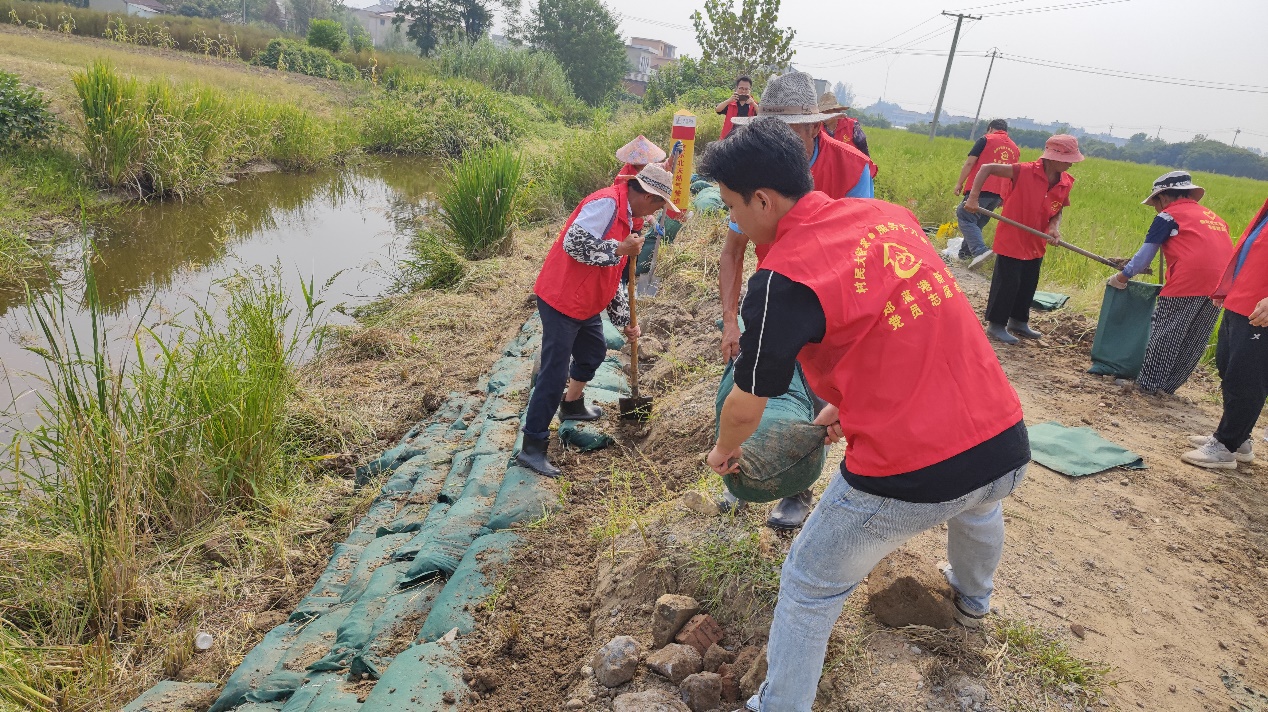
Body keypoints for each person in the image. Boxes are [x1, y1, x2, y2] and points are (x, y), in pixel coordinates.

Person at [698, 118, 1030, 712]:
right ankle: (973, 599)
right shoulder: (890, 219)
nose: (733, 222)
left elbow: (746, 404)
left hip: (912, 470)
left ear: (764, 200)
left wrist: (723, 452)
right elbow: (890, 329)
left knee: (809, 581)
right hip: (1003, 440)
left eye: (731, 207)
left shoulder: (782, 281)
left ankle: (779, 705)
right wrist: (836, 407)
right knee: (981, 506)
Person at [718, 71, 876, 530]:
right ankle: (744, 471)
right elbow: (733, 251)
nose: (775, 143)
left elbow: (857, 248)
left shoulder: (850, 169)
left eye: (786, 132)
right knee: (754, 383)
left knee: (811, 391)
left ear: (813, 127)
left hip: (825, 302)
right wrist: (731, 320)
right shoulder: (755, 168)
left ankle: (795, 487)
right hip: (773, 292)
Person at [515, 165, 678, 477]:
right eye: (659, 203)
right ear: (646, 195)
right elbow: (574, 244)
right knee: (553, 374)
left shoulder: (632, 218)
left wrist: (624, 321)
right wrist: (620, 247)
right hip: (563, 299)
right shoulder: (606, 204)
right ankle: (532, 447)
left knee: (593, 352)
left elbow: (614, 274)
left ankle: (572, 404)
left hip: (586, 301)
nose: (658, 210)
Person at [1109, 172, 1232, 395]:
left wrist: (1122, 277)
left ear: (1163, 197)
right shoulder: (1215, 218)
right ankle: (1168, 388)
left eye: (1155, 202)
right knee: (1195, 337)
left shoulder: (1168, 216)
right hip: (1222, 284)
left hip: (1189, 281)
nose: (1156, 208)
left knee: (1167, 332)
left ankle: (1148, 386)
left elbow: (1145, 256)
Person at [965, 134, 1083, 345]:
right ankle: (996, 324)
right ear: (1052, 157)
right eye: (1068, 159)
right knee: (1008, 282)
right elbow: (986, 168)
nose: (1072, 164)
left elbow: (1058, 210)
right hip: (1013, 236)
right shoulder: (1023, 171)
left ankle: (1018, 321)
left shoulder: (1066, 182)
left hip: (1037, 239)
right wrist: (973, 198)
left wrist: (1054, 229)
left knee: (1028, 283)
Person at [1182, 196, 1268, 470]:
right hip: (1242, 299)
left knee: (1246, 378)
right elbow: (1251, 249)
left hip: (1261, 309)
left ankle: (1226, 446)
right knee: (1227, 367)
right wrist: (1227, 286)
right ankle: (1239, 439)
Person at [953, 119, 1020, 265]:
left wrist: (959, 183)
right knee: (976, 223)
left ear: (990, 129)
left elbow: (970, 162)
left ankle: (980, 250)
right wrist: (1004, 197)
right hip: (998, 195)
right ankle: (965, 255)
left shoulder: (985, 139)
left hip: (980, 189)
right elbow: (1013, 175)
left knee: (964, 215)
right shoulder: (1015, 148)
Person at [614, 135, 667, 235]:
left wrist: (652, 221)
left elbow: (664, 166)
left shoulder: (645, 171)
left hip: (637, 222)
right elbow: (632, 204)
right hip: (624, 224)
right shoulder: (624, 178)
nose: (648, 162)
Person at [818, 92, 871, 157]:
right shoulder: (817, 129)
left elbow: (864, 150)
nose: (825, 115)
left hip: (851, 164)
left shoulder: (852, 126)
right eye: (822, 112)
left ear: (837, 112)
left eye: (828, 112)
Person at [716, 76, 759, 140]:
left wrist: (754, 104)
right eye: (741, 88)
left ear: (750, 90)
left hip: (748, 139)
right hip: (729, 139)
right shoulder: (730, 103)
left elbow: (762, 115)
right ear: (736, 88)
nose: (743, 91)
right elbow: (718, 109)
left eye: (746, 89)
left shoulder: (754, 104)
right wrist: (728, 101)